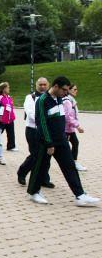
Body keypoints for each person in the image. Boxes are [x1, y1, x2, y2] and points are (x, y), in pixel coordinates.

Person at [27, 76, 99, 206]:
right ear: (55, 87)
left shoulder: (60, 98)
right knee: (41, 167)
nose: (66, 92)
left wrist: (68, 134)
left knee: (70, 166)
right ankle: (34, 192)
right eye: (64, 89)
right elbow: (42, 123)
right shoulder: (43, 100)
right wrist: (49, 143)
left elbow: (61, 118)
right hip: (46, 141)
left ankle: (80, 195)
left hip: (61, 139)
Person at [17, 77, 52, 186]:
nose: (42, 87)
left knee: (47, 156)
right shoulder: (30, 97)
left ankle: (43, 179)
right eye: (40, 84)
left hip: (47, 130)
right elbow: (32, 114)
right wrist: (45, 120)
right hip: (33, 130)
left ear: (48, 85)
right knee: (35, 155)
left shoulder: (50, 98)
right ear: (36, 85)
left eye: (44, 84)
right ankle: (22, 172)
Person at [64, 84, 86, 171]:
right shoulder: (67, 101)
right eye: (74, 89)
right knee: (63, 147)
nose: (76, 91)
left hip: (70, 128)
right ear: (69, 90)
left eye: (76, 89)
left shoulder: (71, 100)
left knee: (75, 143)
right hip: (66, 129)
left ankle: (73, 163)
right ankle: (71, 164)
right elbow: (68, 117)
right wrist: (77, 126)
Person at [0, 82, 17, 151]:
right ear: (3, 89)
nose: (9, 89)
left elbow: (11, 107)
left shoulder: (9, 97)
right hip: (2, 119)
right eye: (8, 87)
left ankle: (11, 146)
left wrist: (13, 116)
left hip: (10, 119)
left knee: (11, 133)